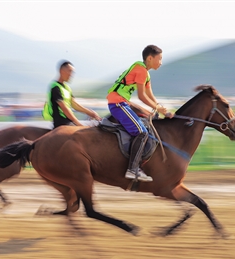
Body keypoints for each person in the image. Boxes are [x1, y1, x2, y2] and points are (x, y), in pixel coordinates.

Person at [107, 45, 173, 182]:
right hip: (118, 103)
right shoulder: (141, 71)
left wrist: (161, 110)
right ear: (150, 58)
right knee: (142, 132)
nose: (161, 62)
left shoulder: (146, 73)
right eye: (159, 59)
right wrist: (157, 108)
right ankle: (132, 169)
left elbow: (150, 95)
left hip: (122, 102)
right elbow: (142, 97)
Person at [43, 60, 101, 128]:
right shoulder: (55, 87)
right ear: (61, 71)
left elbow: (74, 105)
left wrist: (91, 113)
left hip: (69, 122)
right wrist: (78, 124)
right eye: (69, 71)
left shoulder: (67, 88)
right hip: (61, 123)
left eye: (72, 72)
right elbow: (64, 108)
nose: (71, 74)